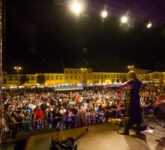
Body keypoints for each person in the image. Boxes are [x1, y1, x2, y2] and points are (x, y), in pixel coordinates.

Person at [118, 71, 144, 135]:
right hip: (137, 99)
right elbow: (141, 88)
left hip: (131, 100)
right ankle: (138, 129)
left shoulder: (130, 82)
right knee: (137, 113)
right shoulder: (139, 82)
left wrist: (128, 85)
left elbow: (121, 86)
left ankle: (127, 129)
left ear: (130, 76)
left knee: (130, 113)